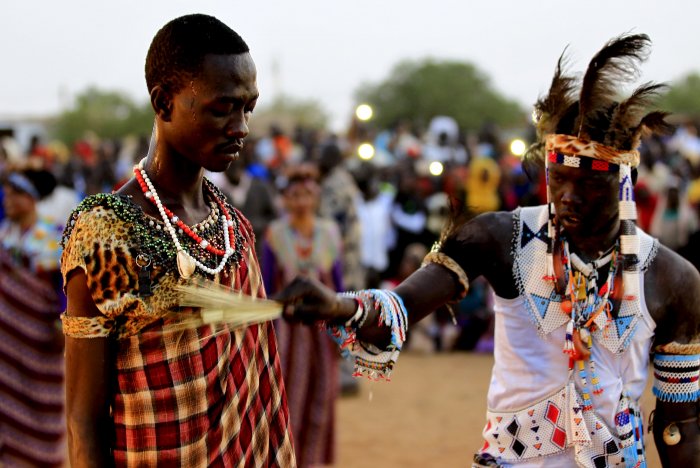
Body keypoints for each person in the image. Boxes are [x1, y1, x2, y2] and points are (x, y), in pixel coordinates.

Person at [275, 34, 700, 467]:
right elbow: (400, 308)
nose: (567, 196)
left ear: (623, 181)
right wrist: (338, 306)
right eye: (558, 179)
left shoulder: (672, 279)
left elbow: (679, 424)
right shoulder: (501, 238)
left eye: (589, 184)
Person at [61, 14, 294, 466]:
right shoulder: (107, 233)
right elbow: (83, 419)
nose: (241, 127)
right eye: (222, 107)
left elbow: (258, 395)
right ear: (164, 101)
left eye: (248, 107)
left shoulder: (233, 227)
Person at [261, 164, 343, 467]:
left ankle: (312, 461)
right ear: (285, 199)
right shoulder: (275, 234)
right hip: (287, 330)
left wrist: (342, 324)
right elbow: (268, 285)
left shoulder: (331, 232)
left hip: (323, 326)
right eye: (295, 195)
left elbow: (339, 285)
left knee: (323, 393)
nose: (301, 201)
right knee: (288, 396)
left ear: (317, 197)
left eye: (307, 194)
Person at [0, 168, 65, 466]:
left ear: (31, 198)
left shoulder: (53, 234)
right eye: (7, 194)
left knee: (43, 403)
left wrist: (61, 322)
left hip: (41, 343)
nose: (8, 200)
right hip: (7, 347)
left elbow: (67, 287)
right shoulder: (4, 234)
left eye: (15, 194)